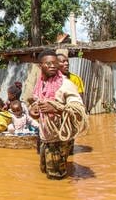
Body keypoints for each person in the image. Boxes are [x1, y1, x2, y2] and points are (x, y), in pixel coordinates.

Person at [29, 50, 88, 180]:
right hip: (45, 137)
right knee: (44, 172)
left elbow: (79, 110)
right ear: (40, 66)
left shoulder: (65, 84)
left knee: (56, 178)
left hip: (58, 139)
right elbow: (35, 102)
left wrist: (56, 109)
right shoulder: (40, 83)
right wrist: (32, 111)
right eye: (48, 63)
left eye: (55, 63)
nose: (52, 66)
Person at [57, 53, 86, 154]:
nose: (66, 64)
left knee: (69, 146)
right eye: (62, 61)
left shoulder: (75, 79)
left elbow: (80, 98)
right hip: (55, 116)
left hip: (68, 116)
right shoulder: (49, 80)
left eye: (67, 61)